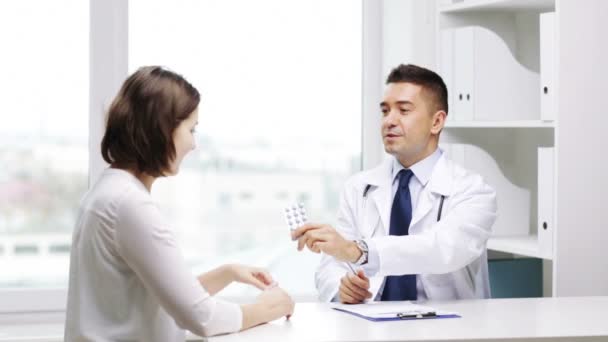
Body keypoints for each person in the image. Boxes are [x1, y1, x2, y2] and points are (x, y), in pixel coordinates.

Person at [65, 66, 294, 341]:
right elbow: (201, 317)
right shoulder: (130, 205)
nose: (194, 144)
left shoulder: (110, 191)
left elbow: (170, 298)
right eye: (191, 129)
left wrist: (228, 272)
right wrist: (268, 308)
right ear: (162, 129)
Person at [293, 64, 497, 304]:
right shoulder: (359, 188)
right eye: (385, 111)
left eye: (403, 110)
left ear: (436, 122)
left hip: (446, 328)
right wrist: (342, 287)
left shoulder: (473, 190)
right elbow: (330, 266)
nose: (389, 120)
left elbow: (444, 248)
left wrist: (360, 251)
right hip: (372, 326)